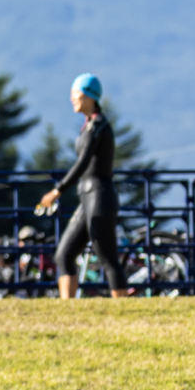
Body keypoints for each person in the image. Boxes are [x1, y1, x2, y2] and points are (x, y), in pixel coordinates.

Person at [35, 74, 128, 299]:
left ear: (88, 96)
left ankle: (123, 308)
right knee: (64, 254)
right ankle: (68, 310)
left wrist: (58, 190)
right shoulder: (88, 125)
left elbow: (83, 162)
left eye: (75, 94)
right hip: (87, 199)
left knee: (108, 259)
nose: (72, 99)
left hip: (100, 197)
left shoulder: (99, 126)